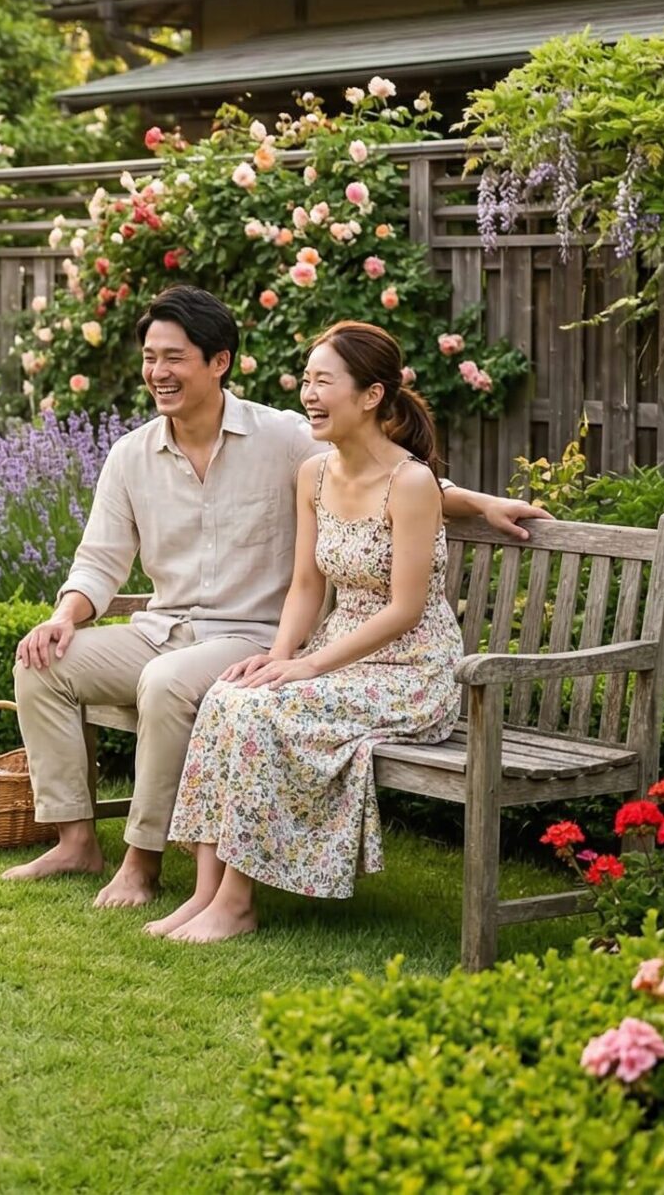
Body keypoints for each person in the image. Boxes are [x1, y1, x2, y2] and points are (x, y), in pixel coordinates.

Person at [5, 286, 545, 908]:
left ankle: (142, 862)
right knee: (41, 664)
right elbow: (99, 560)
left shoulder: (284, 436)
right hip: (163, 629)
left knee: (167, 683)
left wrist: (476, 501)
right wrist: (64, 616)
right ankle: (77, 840)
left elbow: (379, 470)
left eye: (174, 357)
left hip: (252, 637)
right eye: (151, 357)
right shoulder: (131, 455)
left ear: (219, 362)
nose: (158, 372)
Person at [154, 322, 462, 941]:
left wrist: (309, 668)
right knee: (229, 695)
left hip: (412, 669)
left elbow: (405, 609)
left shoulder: (412, 483)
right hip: (339, 651)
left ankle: (237, 904)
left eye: (325, 382)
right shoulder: (314, 474)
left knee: (266, 711)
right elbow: (306, 587)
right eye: (307, 380)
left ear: (371, 396)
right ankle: (207, 892)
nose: (309, 394)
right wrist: (279, 654)